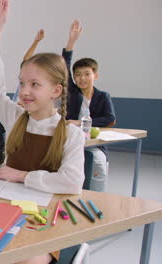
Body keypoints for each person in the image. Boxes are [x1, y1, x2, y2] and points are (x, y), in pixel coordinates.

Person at [0, 1, 85, 262]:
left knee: (27, 259)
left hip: (46, 219)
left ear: (56, 91)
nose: (24, 91)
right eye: (22, 83)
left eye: (34, 84)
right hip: (6, 207)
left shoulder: (72, 135)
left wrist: (21, 175)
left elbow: (71, 182)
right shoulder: (16, 117)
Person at [63, 20, 116, 192]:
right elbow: (64, 65)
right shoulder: (73, 91)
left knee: (98, 161)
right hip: (70, 140)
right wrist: (71, 42)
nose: (82, 78)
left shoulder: (103, 96)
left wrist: (79, 123)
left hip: (94, 142)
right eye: (78, 75)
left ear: (96, 75)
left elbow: (110, 119)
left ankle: (96, 195)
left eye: (87, 74)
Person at [0, 29, 45, 166]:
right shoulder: (23, 85)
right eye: (23, 82)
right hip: (17, 111)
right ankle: (1, 151)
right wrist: (36, 41)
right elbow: (26, 60)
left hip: (27, 116)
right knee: (0, 124)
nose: (25, 89)